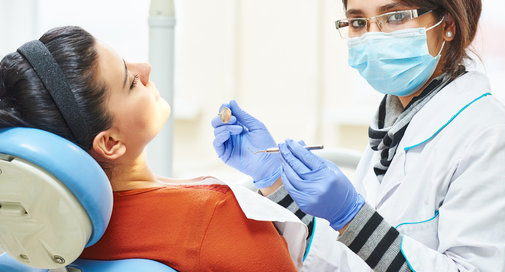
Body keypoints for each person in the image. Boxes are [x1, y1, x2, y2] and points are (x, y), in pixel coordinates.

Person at [211, 0, 505, 271]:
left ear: (447, 26)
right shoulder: (394, 130)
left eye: (395, 16)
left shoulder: (495, 140)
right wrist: (274, 182)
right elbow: (348, 261)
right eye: (357, 22)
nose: (372, 36)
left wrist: (351, 216)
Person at [0, 26, 305, 272]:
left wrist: (272, 183)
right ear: (110, 143)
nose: (144, 68)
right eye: (130, 82)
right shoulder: (212, 217)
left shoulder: (47, 236)